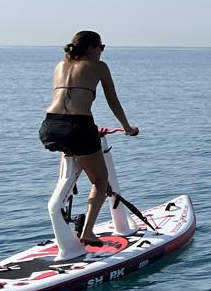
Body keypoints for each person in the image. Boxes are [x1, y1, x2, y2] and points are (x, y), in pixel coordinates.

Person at [39, 31, 138, 246]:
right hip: (79, 127)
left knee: (75, 164)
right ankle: (88, 232)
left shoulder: (60, 66)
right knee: (101, 180)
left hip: (50, 126)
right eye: (101, 47)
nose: (101, 52)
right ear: (92, 48)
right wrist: (127, 127)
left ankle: (64, 224)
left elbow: (68, 99)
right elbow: (112, 100)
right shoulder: (99, 67)